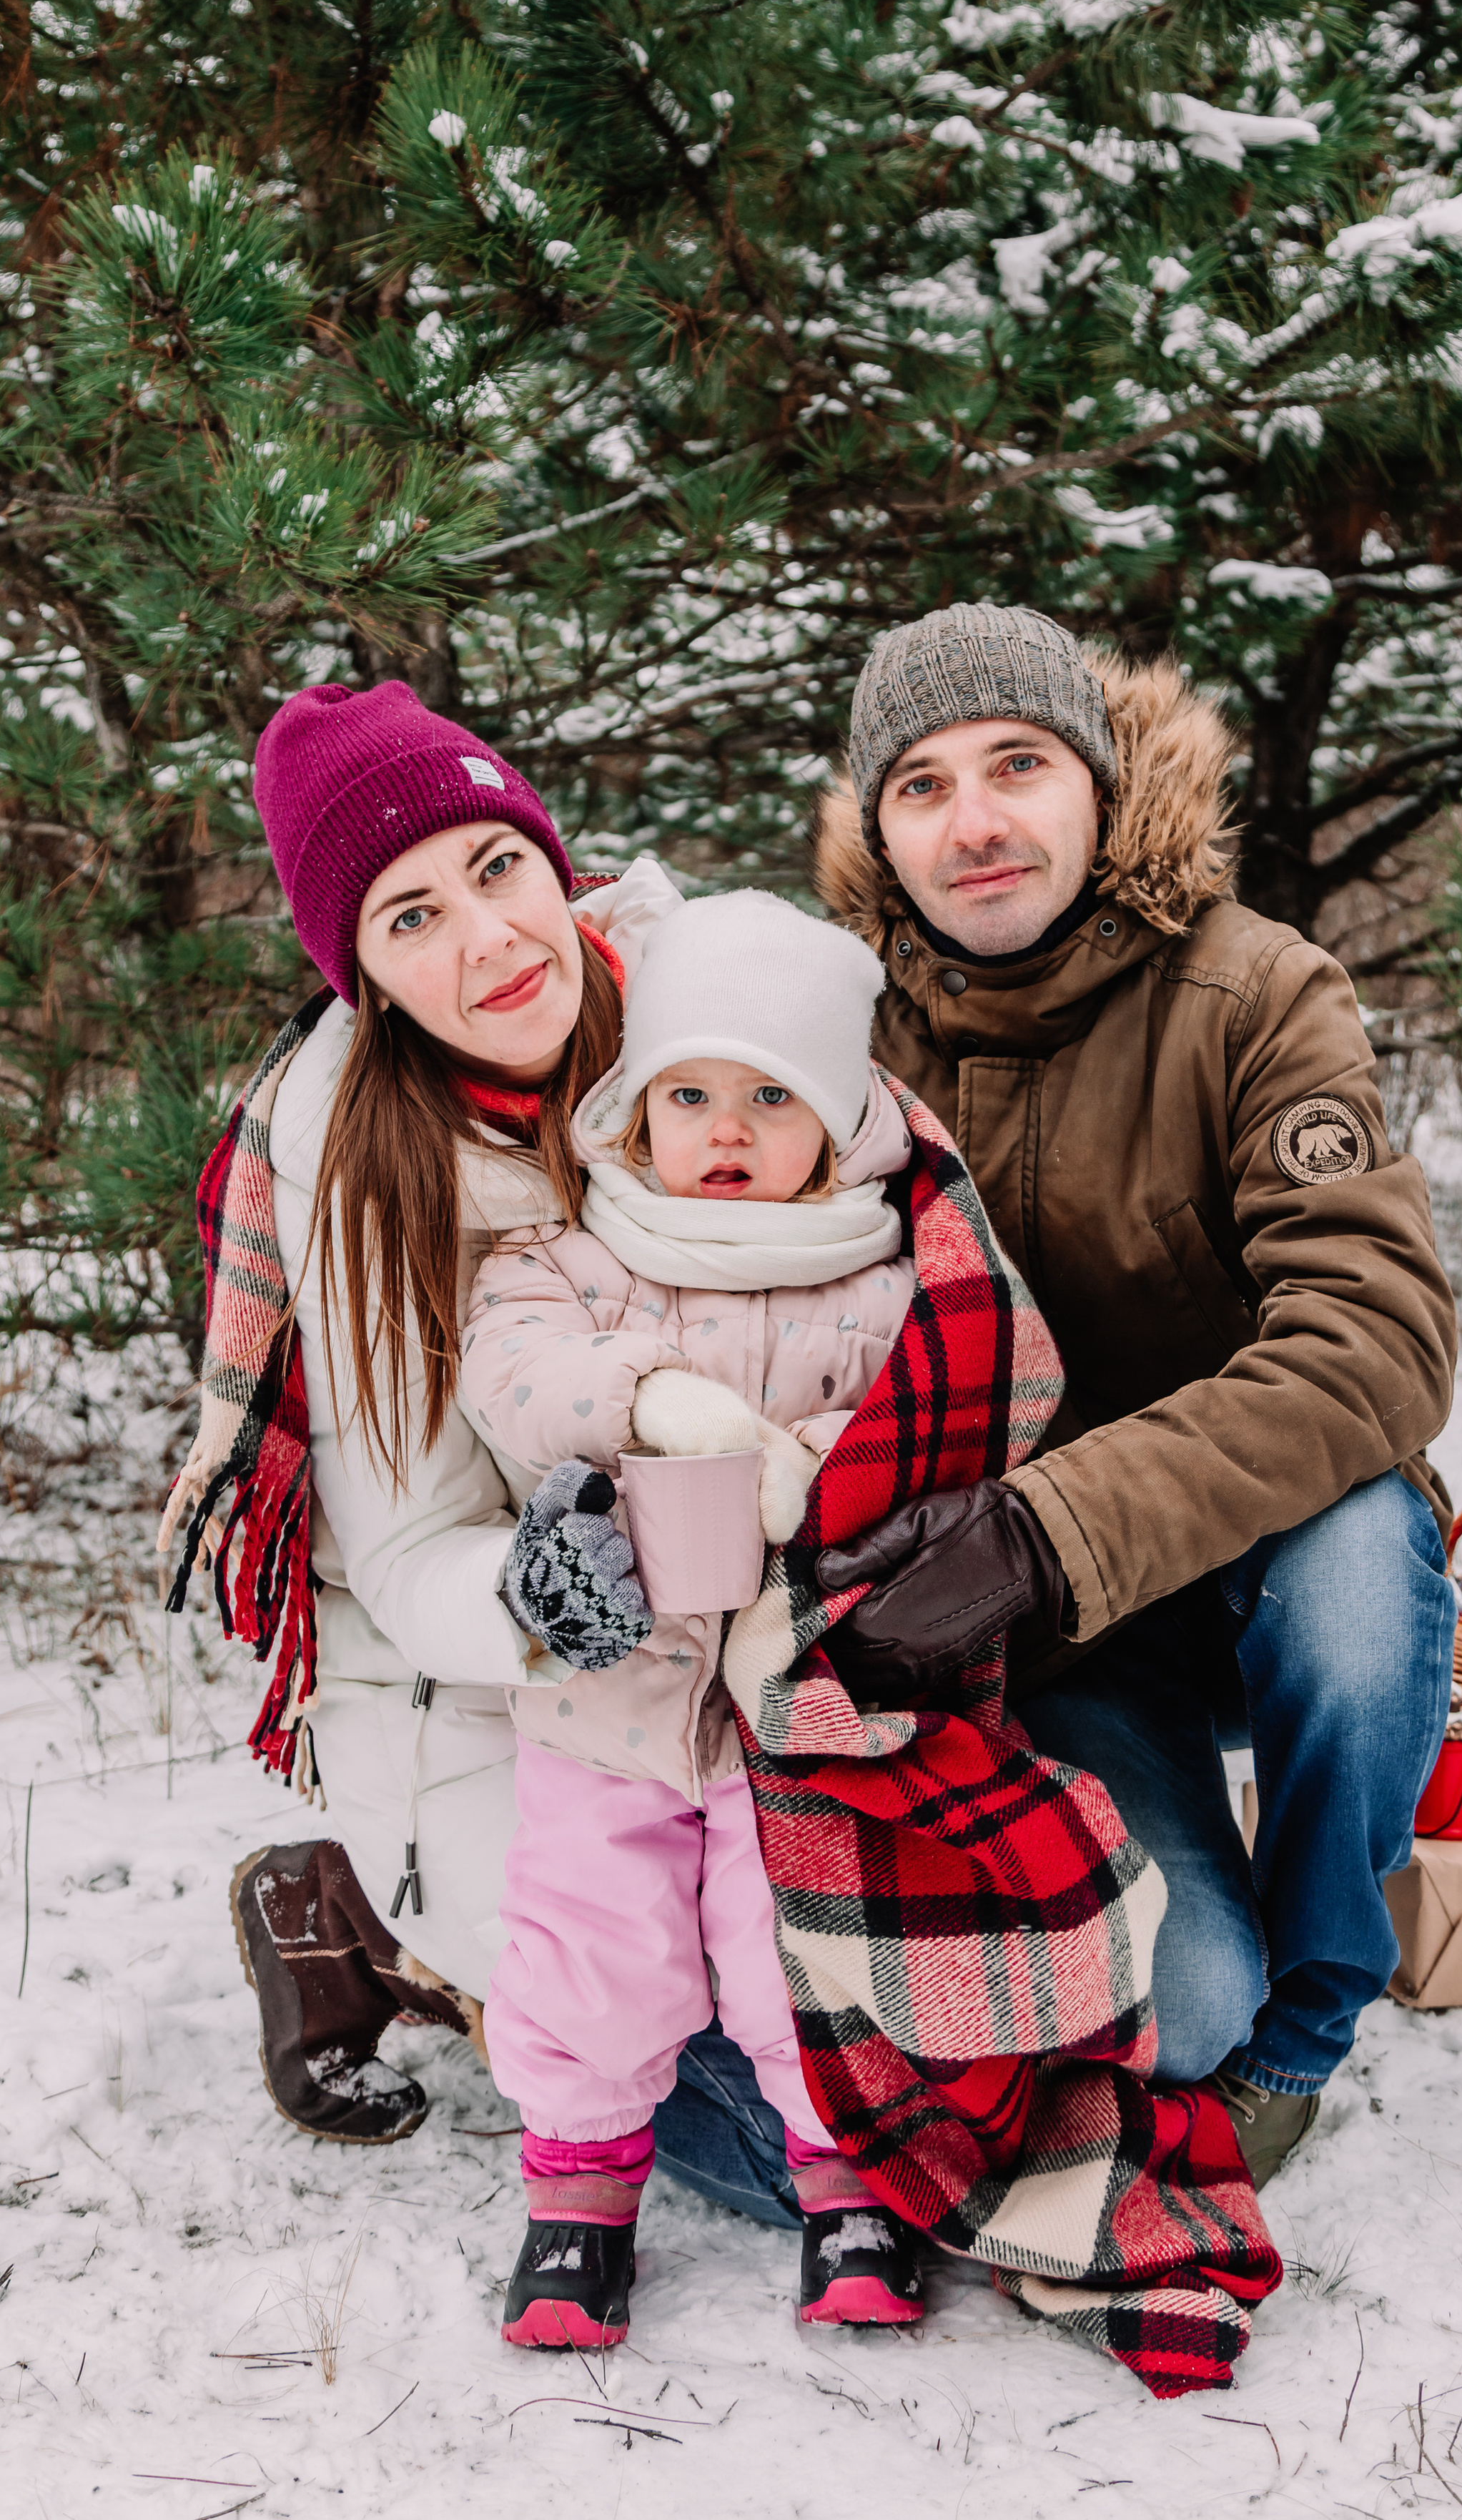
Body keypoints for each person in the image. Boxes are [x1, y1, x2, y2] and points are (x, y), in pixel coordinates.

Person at [805, 604, 1458, 2189]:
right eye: (920, 785)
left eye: (1015, 763)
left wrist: (1050, 1524)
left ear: (1096, 780)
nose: (973, 822)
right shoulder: (837, 1041)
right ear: (877, 833)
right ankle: (1217, 1962)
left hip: (1243, 1578)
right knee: (1181, 2002)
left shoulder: (1251, 995)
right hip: (1025, 1629)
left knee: (1360, 1559)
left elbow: (1375, 1337)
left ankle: (1307, 2024)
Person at [159, 681, 816, 2226]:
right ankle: (362, 1917)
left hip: (767, 1630)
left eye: (496, 869)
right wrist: (537, 1594)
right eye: (409, 916)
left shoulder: (705, 1022)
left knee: (914, 2047)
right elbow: (397, 1559)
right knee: (773, 2149)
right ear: (363, 971)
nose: (486, 941)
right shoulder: (362, 1166)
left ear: (549, 857)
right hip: (497, 1689)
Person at [460, 890, 927, 2344]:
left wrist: (834, 1472)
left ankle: (844, 2175)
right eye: (689, 1092)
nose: (724, 1130)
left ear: (838, 1122)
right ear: (632, 1107)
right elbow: (513, 1375)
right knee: (591, 1940)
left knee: (802, 1938)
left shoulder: (881, 1274)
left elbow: (942, 1430)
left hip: (805, 1706)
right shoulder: (573, 1258)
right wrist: (645, 1395)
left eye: (770, 1096)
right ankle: (577, 2192)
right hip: (612, 1698)